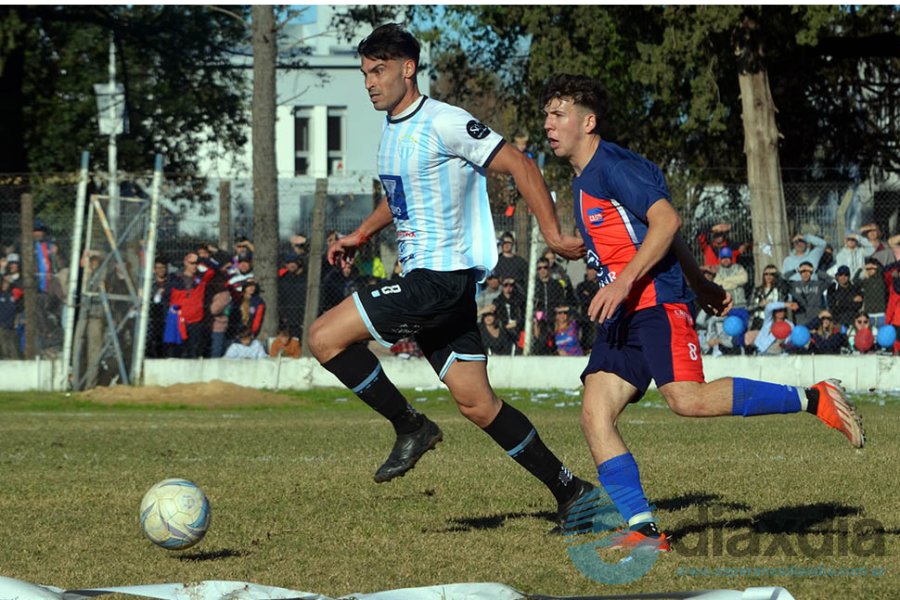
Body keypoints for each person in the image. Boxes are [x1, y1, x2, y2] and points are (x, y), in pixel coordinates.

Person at [541, 73, 864, 550]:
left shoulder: (611, 166)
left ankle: (816, 398)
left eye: (559, 114)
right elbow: (658, 230)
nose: (549, 123)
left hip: (652, 303)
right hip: (624, 312)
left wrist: (637, 281)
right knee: (595, 413)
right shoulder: (588, 175)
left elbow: (666, 220)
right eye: (547, 114)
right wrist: (700, 280)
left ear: (588, 122)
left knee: (686, 400)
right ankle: (645, 530)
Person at [307, 24, 593, 526]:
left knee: (323, 337)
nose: (369, 83)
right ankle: (571, 490)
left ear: (407, 68)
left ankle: (410, 426)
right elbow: (400, 201)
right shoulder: (392, 130)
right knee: (478, 403)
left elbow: (523, 166)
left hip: (437, 280)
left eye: (378, 71)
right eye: (365, 74)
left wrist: (551, 232)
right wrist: (361, 235)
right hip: (434, 283)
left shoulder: (445, 122)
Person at [748, 264, 793, 331]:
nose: (768, 276)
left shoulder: (780, 291)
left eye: (772, 274)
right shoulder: (757, 290)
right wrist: (759, 304)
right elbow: (748, 308)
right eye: (766, 274)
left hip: (773, 321)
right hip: (758, 321)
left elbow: (782, 307)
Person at [788, 261, 828, 326]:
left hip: (816, 320)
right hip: (801, 321)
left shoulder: (818, 284)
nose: (805, 274)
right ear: (800, 273)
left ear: (811, 273)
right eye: (803, 272)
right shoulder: (794, 285)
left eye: (808, 271)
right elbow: (781, 279)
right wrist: (795, 270)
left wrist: (814, 270)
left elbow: (830, 280)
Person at [825, 265, 863, 329]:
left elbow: (858, 306)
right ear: (837, 276)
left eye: (846, 275)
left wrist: (840, 302)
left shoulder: (855, 288)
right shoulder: (832, 289)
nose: (843, 277)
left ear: (849, 276)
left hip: (853, 322)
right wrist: (852, 300)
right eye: (841, 275)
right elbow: (833, 307)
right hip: (838, 322)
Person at [854, 257, 887, 328]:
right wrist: (861, 269)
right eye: (867, 269)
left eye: (871, 269)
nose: (869, 271)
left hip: (881, 313)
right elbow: (855, 281)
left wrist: (874, 266)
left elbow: (884, 270)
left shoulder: (881, 279)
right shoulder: (866, 281)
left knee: (882, 334)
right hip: (869, 313)